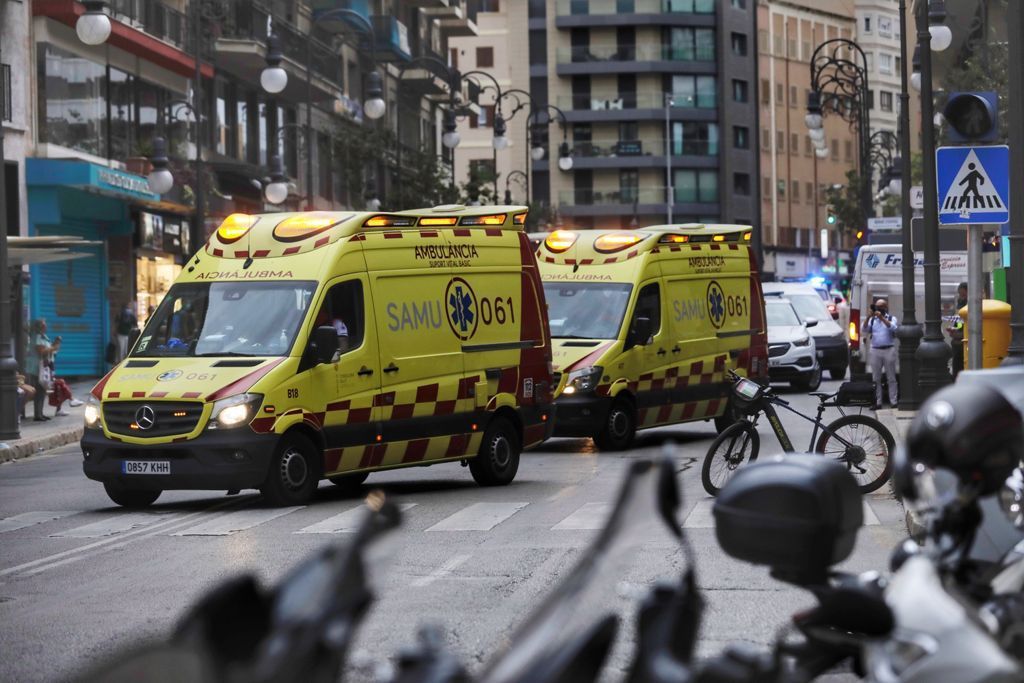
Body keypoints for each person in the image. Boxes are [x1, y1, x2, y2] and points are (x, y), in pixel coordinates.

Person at [863, 298, 899, 409]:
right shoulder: (872, 320)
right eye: (877, 307)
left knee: (891, 378)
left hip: (889, 349)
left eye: (881, 306)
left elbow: (893, 328)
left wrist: (882, 318)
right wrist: (869, 316)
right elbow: (864, 329)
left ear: (885, 307)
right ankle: (878, 402)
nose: (878, 309)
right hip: (875, 350)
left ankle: (893, 401)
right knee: (876, 378)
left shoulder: (892, 318)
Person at [25, 319, 53, 422]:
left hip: (43, 367)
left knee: (42, 391)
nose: (46, 327)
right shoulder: (37, 337)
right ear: (40, 327)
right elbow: (41, 350)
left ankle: (40, 413)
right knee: (39, 391)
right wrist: (53, 348)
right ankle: (37, 414)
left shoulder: (43, 336)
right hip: (36, 368)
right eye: (44, 325)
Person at [948, 282, 968, 377]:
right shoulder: (960, 304)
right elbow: (959, 323)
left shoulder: (971, 306)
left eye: (963, 294)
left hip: (965, 343)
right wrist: (954, 329)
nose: (961, 297)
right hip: (958, 343)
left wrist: (959, 333)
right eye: (960, 294)